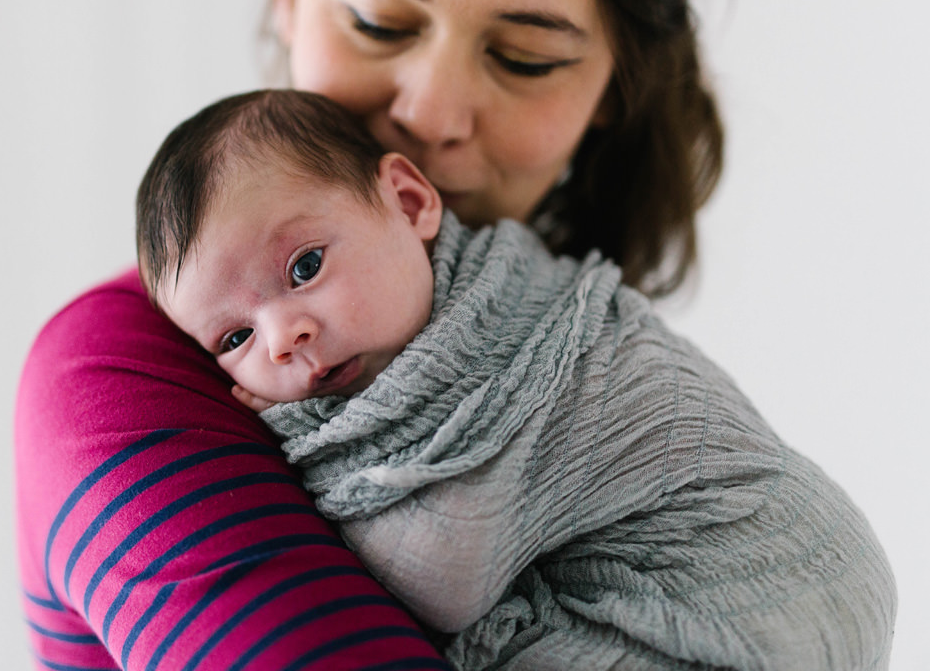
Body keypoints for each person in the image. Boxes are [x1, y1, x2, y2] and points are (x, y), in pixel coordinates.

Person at [13, 0, 879, 669]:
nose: (429, 114)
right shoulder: (116, 370)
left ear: (614, 86)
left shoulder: (576, 334)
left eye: (525, 58)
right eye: (379, 22)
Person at [137, 88, 896, 670]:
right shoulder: (405, 332)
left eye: (305, 267)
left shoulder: (514, 328)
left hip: (764, 574)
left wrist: (295, 438)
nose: (282, 337)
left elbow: (442, 574)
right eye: (234, 337)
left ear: (409, 203)